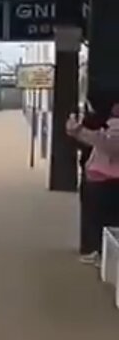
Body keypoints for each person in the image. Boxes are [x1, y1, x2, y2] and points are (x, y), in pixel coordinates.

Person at [66, 95, 119, 264]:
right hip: (102, 179)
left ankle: (105, 256)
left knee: (107, 220)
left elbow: (111, 145)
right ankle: (99, 251)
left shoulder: (115, 125)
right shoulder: (110, 123)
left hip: (109, 180)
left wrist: (79, 131)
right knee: (99, 220)